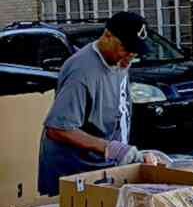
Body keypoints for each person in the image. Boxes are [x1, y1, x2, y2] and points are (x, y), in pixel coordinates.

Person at [38, 12, 157, 196]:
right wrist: (111, 148)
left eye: (135, 51)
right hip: (74, 174)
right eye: (126, 48)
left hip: (102, 168)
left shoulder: (120, 61)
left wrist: (126, 151)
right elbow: (58, 129)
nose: (130, 56)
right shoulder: (82, 72)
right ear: (107, 35)